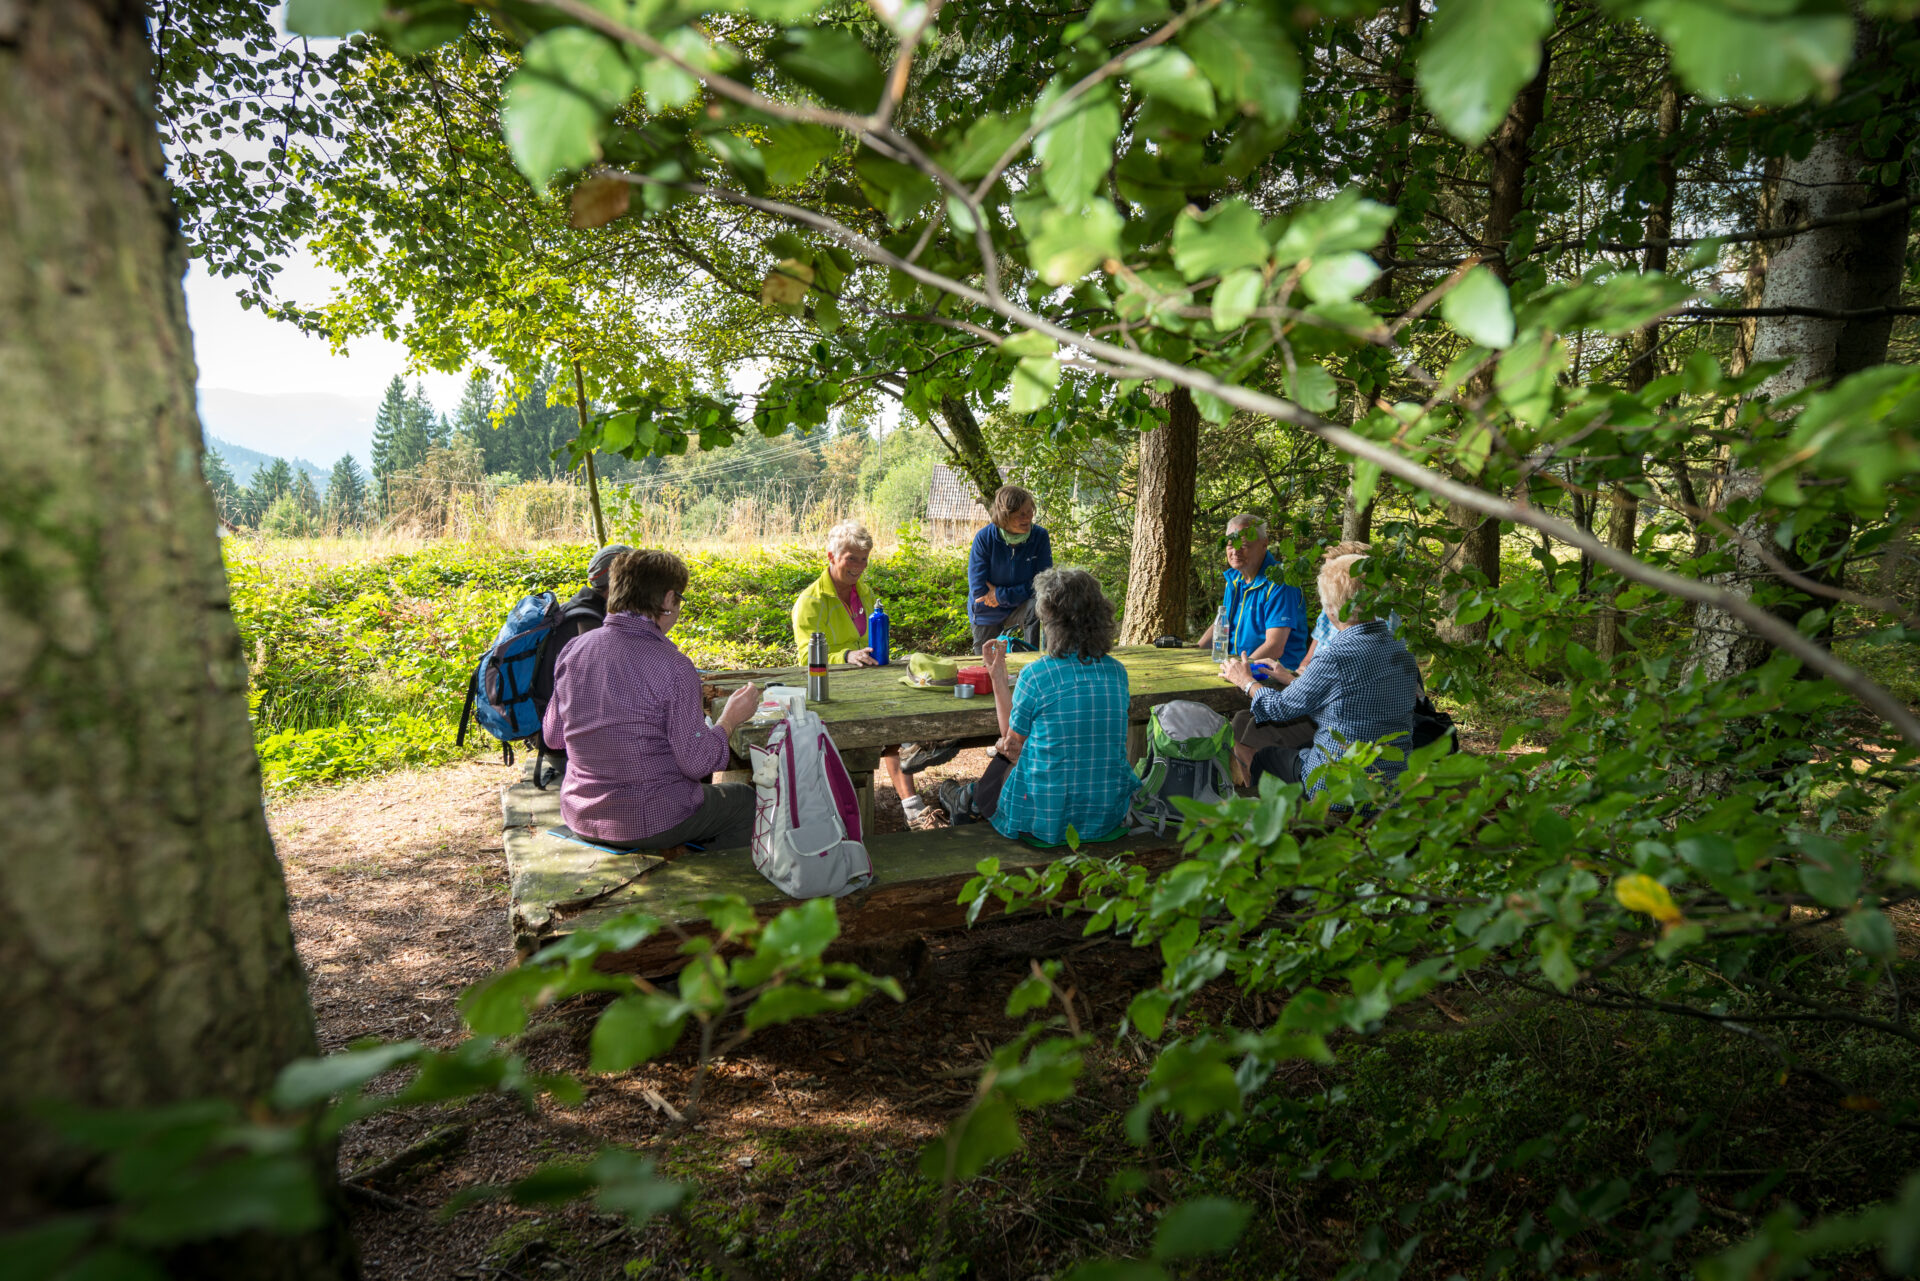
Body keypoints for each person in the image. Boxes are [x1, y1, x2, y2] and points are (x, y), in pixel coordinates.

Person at [542, 549, 762, 851]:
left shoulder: (573, 650)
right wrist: (729, 720)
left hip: (581, 815)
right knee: (744, 800)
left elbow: (553, 737)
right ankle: (719, 888)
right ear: (668, 599)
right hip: (647, 819)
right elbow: (698, 764)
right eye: (679, 600)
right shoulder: (673, 666)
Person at [937, 568, 1139, 846]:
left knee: (1005, 761)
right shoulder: (1117, 673)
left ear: (1052, 622)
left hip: (1046, 821)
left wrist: (998, 679)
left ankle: (969, 799)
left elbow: (1010, 743)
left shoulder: (1038, 675)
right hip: (1106, 816)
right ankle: (968, 798)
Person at [1220, 553, 1420, 795]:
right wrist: (1291, 679)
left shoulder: (1335, 655)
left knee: (1264, 756)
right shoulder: (1400, 650)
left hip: (1336, 782)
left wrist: (1245, 681)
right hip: (1391, 780)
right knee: (1295, 743)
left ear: (1331, 609)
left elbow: (1279, 709)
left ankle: (1272, 818)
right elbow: (1346, 704)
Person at [790, 521, 942, 829]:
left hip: (871, 682)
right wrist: (846, 656)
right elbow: (806, 657)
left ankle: (913, 790)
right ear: (831, 556)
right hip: (835, 691)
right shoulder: (811, 601)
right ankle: (913, 774)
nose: (859, 565)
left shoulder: (866, 593)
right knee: (893, 728)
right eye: (852, 558)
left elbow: (872, 640)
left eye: (864, 558)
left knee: (911, 680)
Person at [530, 543, 632, 784]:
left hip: (559, 741)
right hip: (567, 752)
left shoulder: (580, 610)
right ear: (619, 584)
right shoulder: (588, 625)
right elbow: (604, 701)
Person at [968, 485, 1053, 653]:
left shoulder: (1040, 536)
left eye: (1030, 511)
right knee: (985, 663)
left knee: (1043, 606)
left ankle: (1035, 660)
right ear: (1004, 516)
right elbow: (978, 590)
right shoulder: (984, 538)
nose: (1028, 517)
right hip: (987, 609)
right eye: (1021, 514)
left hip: (1022, 606)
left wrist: (1001, 595)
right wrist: (1006, 595)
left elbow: (1044, 583)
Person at [1297, 540, 1401, 674]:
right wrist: (1304, 670)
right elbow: (1308, 659)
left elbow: (1372, 674)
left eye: (1332, 573)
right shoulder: (1328, 610)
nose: (1325, 579)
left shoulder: (1382, 616)